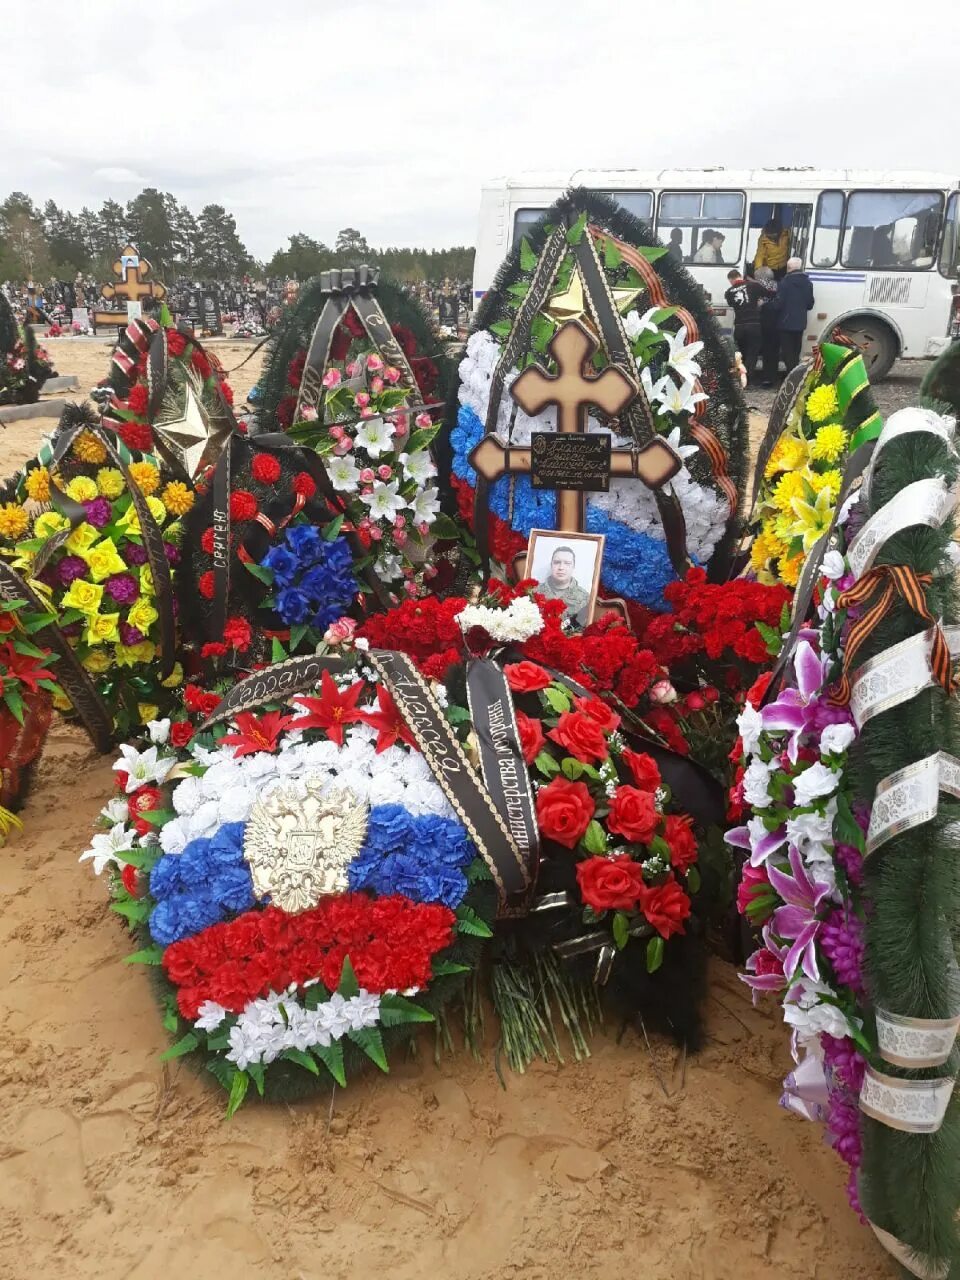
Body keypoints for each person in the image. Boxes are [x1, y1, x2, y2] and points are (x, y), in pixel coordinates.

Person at [724, 268, 774, 385]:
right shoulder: (753, 285)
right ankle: (748, 379)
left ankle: (740, 378)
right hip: (753, 325)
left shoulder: (729, 292)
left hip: (739, 326)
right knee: (752, 353)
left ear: (731, 280)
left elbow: (732, 304)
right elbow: (769, 293)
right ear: (740, 276)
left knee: (741, 354)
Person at [776, 258, 814, 376]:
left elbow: (779, 304)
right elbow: (810, 304)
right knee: (796, 351)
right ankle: (795, 375)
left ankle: (790, 376)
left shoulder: (784, 283)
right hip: (800, 323)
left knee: (787, 352)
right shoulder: (808, 283)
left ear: (788, 268)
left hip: (785, 323)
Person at [536, 544, 591, 625]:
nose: (561, 567)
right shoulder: (535, 591)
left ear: (573, 566)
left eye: (567, 563)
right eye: (557, 562)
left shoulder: (585, 597)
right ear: (551, 565)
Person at [754, 266, 780, 386]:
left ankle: (759, 377)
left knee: (762, 349)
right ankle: (772, 377)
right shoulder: (777, 284)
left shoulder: (757, 285)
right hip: (776, 321)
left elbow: (757, 304)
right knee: (773, 350)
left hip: (762, 321)